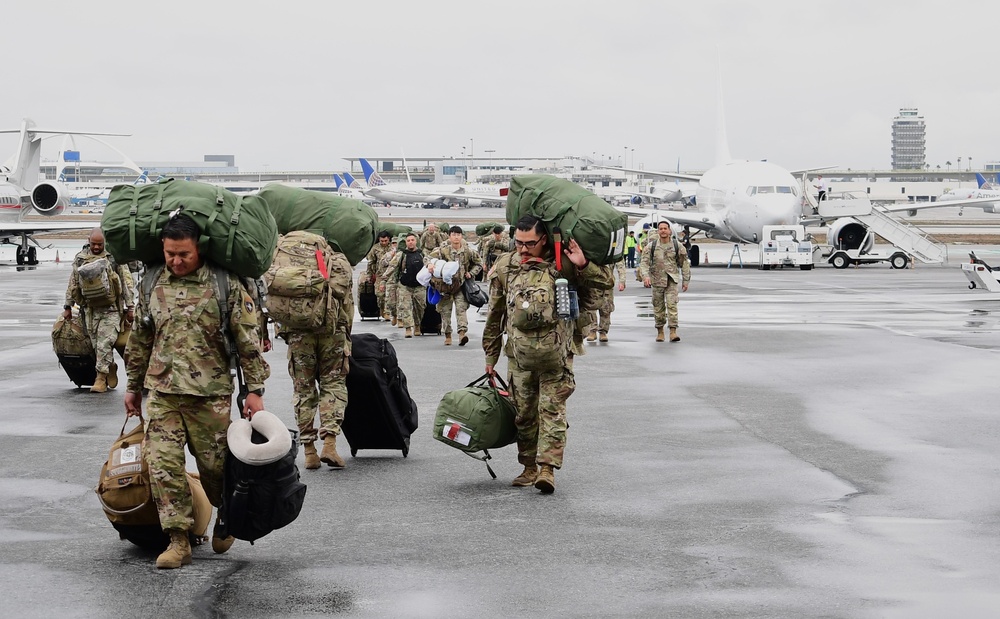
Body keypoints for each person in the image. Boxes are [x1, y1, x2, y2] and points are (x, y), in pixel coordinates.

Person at [124, 213, 269, 569]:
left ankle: (226, 519)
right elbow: (141, 338)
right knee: (163, 465)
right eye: (171, 253)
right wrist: (132, 387)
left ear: (199, 248)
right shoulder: (151, 282)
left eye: (183, 254)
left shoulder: (225, 284)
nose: (176, 261)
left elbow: (247, 341)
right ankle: (178, 539)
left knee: (214, 469)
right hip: (162, 392)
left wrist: (255, 390)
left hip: (210, 393)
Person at [483, 215, 613, 494]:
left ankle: (547, 469)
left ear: (544, 239)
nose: (523, 248)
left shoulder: (562, 262)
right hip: (518, 355)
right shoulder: (506, 266)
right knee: (523, 414)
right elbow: (494, 314)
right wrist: (490, 357)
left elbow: (605, 284)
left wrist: (583, 265)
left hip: (557, 353)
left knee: (552, 410)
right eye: (518, 242)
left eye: (529, 243)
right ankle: (529, 466)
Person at [281, 243, 354, 471]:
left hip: (299, 335)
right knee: (333, 383)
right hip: (332, 332)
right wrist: (347, 336)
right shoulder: (337, 260)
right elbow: (348, 301)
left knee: (303, 389)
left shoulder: (288, 259)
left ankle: (309, 450)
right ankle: (330, 444)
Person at [63, 228, 134, 393]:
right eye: (93, 244)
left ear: (105, 243)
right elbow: (73, 283)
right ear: (88, 241)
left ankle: (100, 378)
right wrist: (67, 306)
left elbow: (125, 281)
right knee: (96, 345)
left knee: (104, 343)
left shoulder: (113, 258)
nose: (96, 247)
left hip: (111, 310)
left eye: (99, 244)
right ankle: (110, 366)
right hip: (89, 310)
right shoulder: (80, 259)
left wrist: (130, 307)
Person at [427, 226, 483, 346]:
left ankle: (462, 333)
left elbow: (479, 263)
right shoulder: (443, 250)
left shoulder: (468, 251)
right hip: (445, 287)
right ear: (449, 236)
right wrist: (429, 265)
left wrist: (471, 273)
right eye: (453, 234)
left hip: (460, 286)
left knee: (461, 309)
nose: (456, 237)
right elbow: (428, 258)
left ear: (461, 236)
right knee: (445, 311)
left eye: (458, 234)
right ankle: (447, 335)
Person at [640, 220, 691, 343]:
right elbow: (644, 263)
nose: (663, 231)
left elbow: (684, 263)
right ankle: (660, 331)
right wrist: (645, 277)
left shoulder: (677, 245)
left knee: (672, 305)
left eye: (665, 228)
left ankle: (673, 331)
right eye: (660, 229)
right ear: (658, 231)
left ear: (669, 231)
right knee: (658, 307)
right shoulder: (650, 247)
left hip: (671, 280)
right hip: (657, 281)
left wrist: (686, 280)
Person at [385, 232, 427, 338]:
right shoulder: (401, 255)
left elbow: (430, 264)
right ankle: (408, 328)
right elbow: (392, 267)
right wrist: (384, 279)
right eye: (408, 241)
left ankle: (417, 325)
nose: (410, 242)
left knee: (420, 307)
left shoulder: (422, 253)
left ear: (416, 241)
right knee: (405, 307)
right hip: (405, 286)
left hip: (419, 286)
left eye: (412, 240)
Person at [585, 260, 627, 343]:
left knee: (606, 308)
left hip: (607, 282)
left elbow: (620, 264)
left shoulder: (611, 248)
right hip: (592, 281)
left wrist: (622, 280)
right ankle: (592, 330)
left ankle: (603, 331)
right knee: (591, 306)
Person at [365, 231, 393, 319]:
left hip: (391, 274)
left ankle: (387, 312)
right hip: (379, 274)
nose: (384, 243)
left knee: (390, 294)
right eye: (382, 241)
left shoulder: (393, 248)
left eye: (385, 241)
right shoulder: (375, 248)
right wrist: (369, 275)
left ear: (388, 239)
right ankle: (382, 308)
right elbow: (371, 262)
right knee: (380, 294)